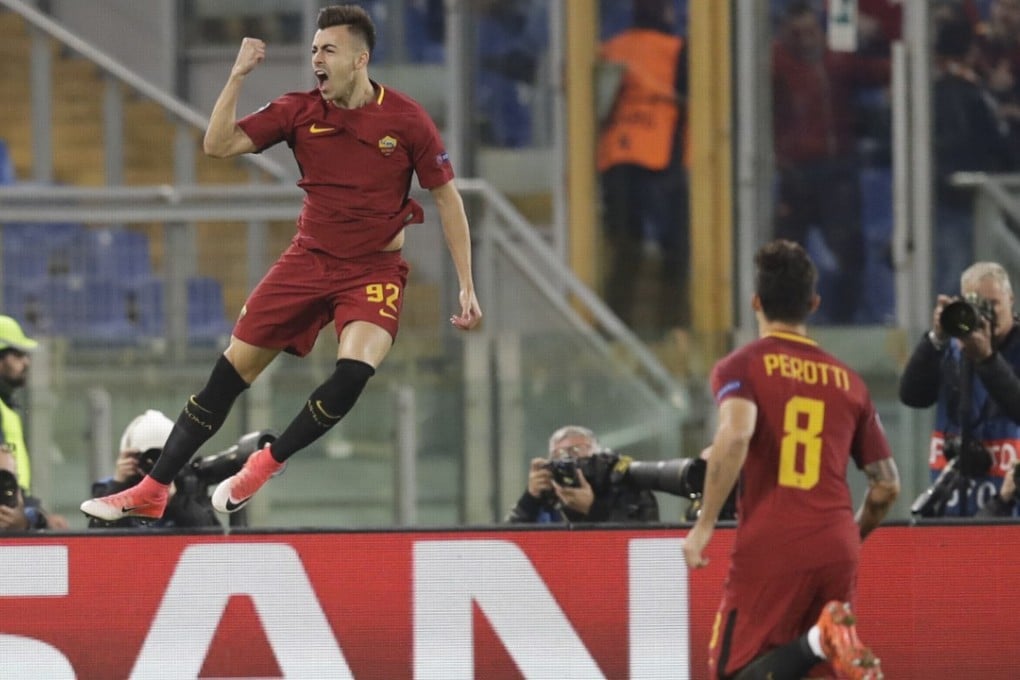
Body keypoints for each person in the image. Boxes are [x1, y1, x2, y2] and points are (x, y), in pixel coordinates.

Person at [81, 4, 482, 523]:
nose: (316, 58)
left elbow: (447, 198)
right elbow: (217, 144)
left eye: (328, 50)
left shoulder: (406, 120)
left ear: (360, 59)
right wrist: (237, 75)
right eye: (314, 50)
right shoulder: (298, 110)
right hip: (307, 262)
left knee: (355, 371)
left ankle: (267, 462)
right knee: (229, 373)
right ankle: (154, 488)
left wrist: (466, 285)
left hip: (373, 271)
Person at [683, 240, 900, 680]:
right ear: (813, 304)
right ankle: (822, 639)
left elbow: (737, 433)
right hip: (836, 542)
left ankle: (820, 639)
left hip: (774, 541)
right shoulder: (850, 383)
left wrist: (704, 524)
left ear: (756, 303)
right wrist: (848, 538)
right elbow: (885, 486)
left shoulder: (742, 366)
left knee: (734, 672)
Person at [771, 1, 889, 324]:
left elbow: (882, 71)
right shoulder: (773, 64)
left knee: (851, 251)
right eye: (798, 33)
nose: (808, 40)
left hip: (836, 171)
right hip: (794, 173)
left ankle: (843, 321)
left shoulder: (836, 60)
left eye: (812, 31)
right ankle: (785, 323)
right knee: (784, 258)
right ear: (784, 34)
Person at [597, 0, 690, 335]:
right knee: (676, 246)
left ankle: (612, 329)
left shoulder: (611, 47)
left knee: (625, 246)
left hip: (615, 159)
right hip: (662, 157)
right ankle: (673, 327)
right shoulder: (678, 49)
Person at [899, 261, 1020, 517]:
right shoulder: (951, 350)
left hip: (1011, 509)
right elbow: (912, 396)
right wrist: (936, 339)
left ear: (1011, 299)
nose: (986, 315)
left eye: (994, 304)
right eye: (977, 306)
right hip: (951, 507)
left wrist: (986, 358)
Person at [932, 18, 1017, 299]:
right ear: (969, 50)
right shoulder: (962, 91)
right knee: (956, 274)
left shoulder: (939, 86)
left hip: (953, 196)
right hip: (960, 197)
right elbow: (986, 140)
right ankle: (945, 338)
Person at [87, 410, 221, 529]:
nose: (157, 466)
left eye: (164, 458)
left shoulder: (189, 484)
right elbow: (96, 538)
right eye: (150, 458)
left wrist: (175, 500)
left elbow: (212, 537)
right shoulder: (108, 487)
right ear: (130, 456)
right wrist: (118, 485)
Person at [505, 425, 659, 523]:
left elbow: (642, 542)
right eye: (558, 455)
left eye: (576, 451)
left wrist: (593, 509)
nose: (568, 460)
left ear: (598, 456)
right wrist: (529, 499)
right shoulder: (547, 497)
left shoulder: (622, 485)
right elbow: (504, 548)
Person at [0, 315, 68, 529]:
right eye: (17, 354)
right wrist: (31, 518)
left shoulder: (7, 406)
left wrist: (36, 513)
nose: (26, 362)